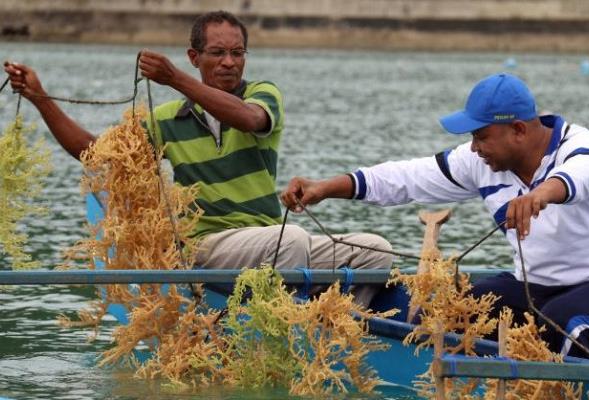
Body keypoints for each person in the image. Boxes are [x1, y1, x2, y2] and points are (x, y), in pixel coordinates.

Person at [4, 10, 392, 306]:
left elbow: (248, 118)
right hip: (208, 245)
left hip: (267, 240)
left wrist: (174, 78)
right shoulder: (166, 119)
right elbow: (98, 155)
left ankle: (330, 330)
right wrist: (41, 98)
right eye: (217, 53)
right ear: (194, 56)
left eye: (237, 53)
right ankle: (276, 328)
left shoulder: (264, 94)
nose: (229, 62)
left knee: (375, 250)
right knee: (289, 240)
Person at [281, 73, 589, 358]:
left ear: (517, 130)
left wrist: (539, 195)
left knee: (562, 322)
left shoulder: (582, 147)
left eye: (481, 136)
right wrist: (325, 188)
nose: (474, 148)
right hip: (535, 287)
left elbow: (580, 175)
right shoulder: (481, 162)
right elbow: (405, 178)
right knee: (449, 318)